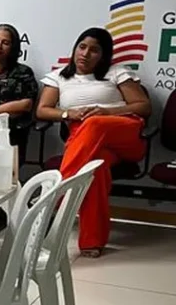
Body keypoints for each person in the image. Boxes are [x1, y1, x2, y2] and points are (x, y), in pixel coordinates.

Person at [36, 27, 152, 257]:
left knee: (94, 123)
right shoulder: (58, 77)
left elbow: (143, 106)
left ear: (104, 55)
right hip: (87, 140)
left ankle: (55, 198)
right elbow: (42, 110)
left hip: (123, 133)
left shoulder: (117, 72)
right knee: (94, 169)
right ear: (75, 48)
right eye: (82, 47)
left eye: (94, 50)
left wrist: (106, 113)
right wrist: (68, 115)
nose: (86, 54)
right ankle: (92, 242)